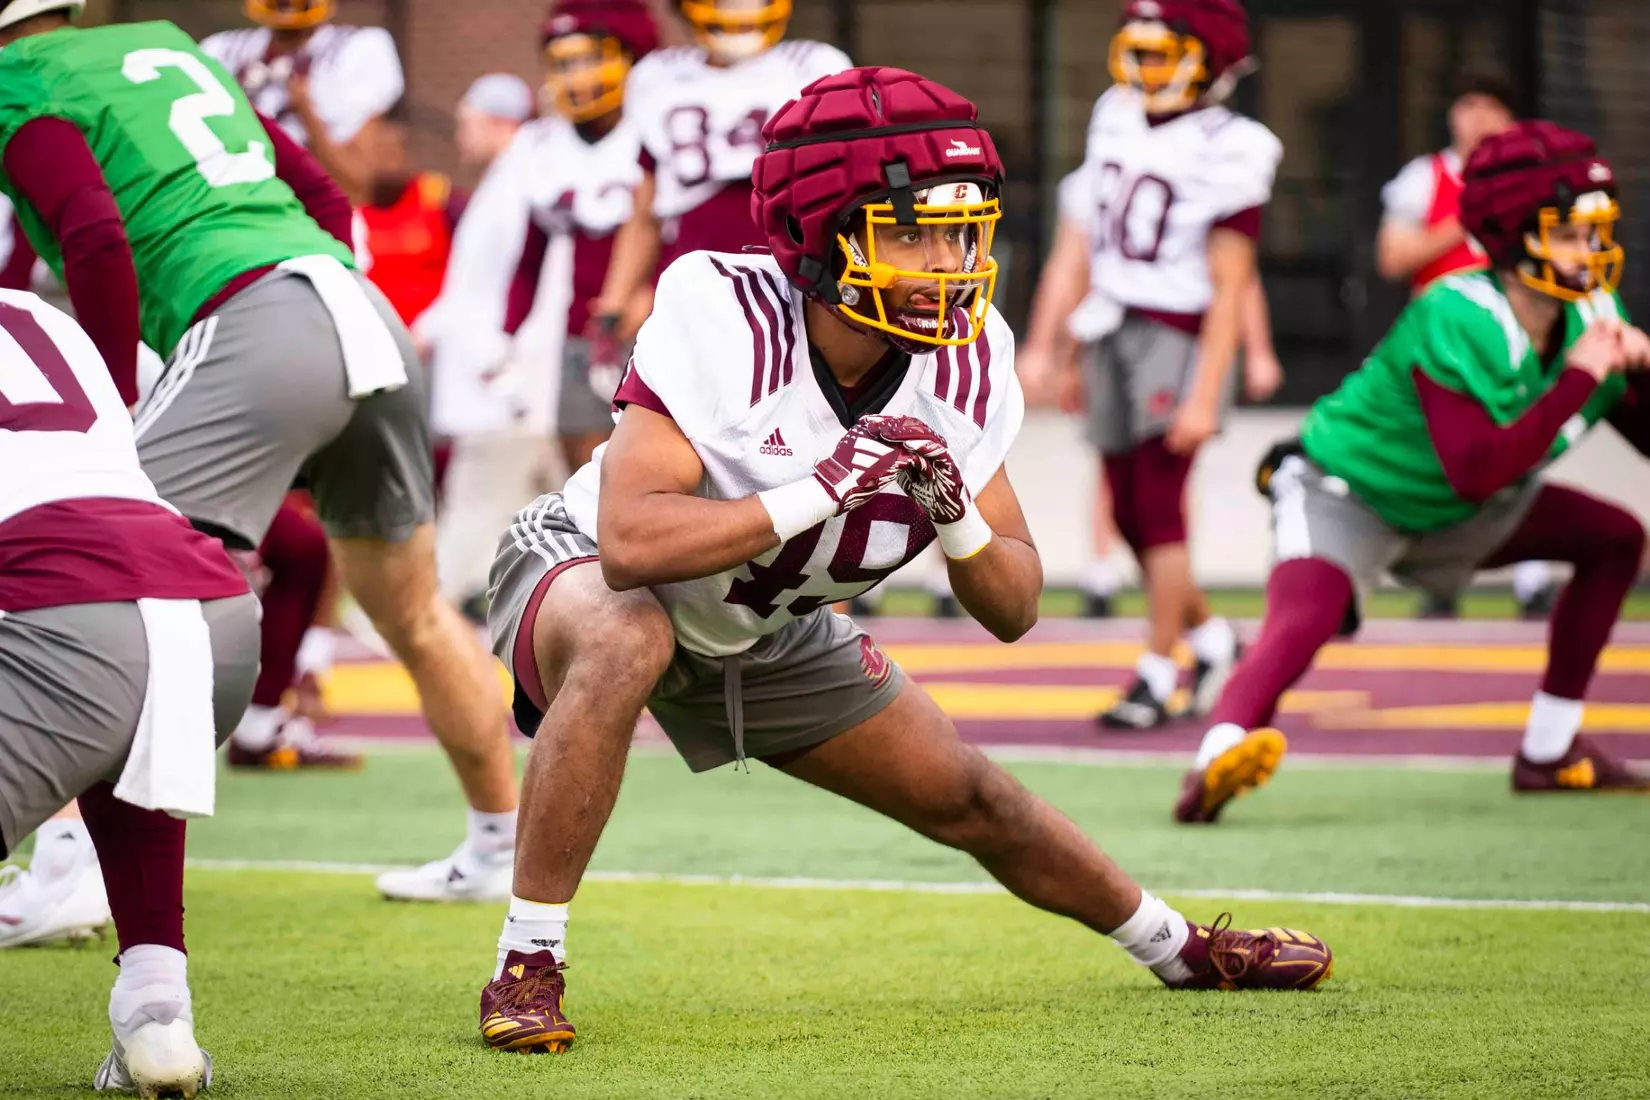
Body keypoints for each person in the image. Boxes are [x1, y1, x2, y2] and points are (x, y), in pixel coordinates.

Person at [474, 66, 1333, 1055]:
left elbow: (1014, 605)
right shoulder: (719, 308)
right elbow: (631, 543)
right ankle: (527, 959)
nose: (949, 264)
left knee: (972, 795)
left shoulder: (967, 356)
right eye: (914, 233)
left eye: (963, 234)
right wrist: (824, 487)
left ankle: (1178, 948)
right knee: (630, 634)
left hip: (762, 622)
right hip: (584, 568)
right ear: (823, 232)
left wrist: (954, 515)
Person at [0, 7, 520, 898]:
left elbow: (93, 233)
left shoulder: (21, 79)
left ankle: (65, 871)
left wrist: (113, 403)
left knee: (94, 582)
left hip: (251, 318)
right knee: (415, 613)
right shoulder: (165, 44)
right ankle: (500, 845)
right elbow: (323, 195)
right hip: (359, 310)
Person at [1177, 120, 1650, 825]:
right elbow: (1476, 470)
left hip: (1458, 509)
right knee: (1307, 616)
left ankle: (1550, 751)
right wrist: (1582, 378)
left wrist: (1640, 374)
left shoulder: (1592, 315)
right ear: (1514, 235)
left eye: (1596, 232)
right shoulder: (1457, 312)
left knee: (1615, 538)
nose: (1591, 251)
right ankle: (1214, 759)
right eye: (1570, 234)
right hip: (1351, 492)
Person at [0, 285, 261, 1096]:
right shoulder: (39, 315)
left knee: (109, 696)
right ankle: (156, 1010)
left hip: (64, 611)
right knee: (137, 732)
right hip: (211, 612)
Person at [1019, 0, 1281, 730]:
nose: (1142, 67)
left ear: (1204, 60)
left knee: (1160, 508)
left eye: (1160, 52)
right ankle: (1212, 639)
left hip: (1178, 331)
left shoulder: (1235, 144)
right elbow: (1079, 244)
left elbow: (1232, 283)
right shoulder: (1114, 112)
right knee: (1129, 510)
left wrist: (1204, 390)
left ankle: (1158, 672)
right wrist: (1057, 345)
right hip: (1110, 322)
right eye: (1137, 50)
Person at [425, 1, 656, 616]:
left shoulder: (657, 130)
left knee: (654, 468)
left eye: (592, 59)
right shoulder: (543, 146)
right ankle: (611, 597)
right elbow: (528, 255)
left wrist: (650, 292)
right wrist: (505, 335)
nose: (578, 76)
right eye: (565, 62)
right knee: (589, 470)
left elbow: (678, 230)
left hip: (658, 326)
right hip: (585, 335)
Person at [1376, 70, 1555, 619]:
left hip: (1514, 343)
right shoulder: (1424, 178)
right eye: (1468, 104)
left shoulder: (1536, 181)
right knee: (1444, 463)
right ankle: (1442, 579)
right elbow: (1393, 258)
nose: (1479, 118)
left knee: (1520, 454)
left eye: (1492, 106)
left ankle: (1532, 580)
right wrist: (1470, 214)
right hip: (1443, 351)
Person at [588, 0, 849, 359]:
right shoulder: (658, 77)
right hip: (694, 267)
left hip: (791, 270)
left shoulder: (812, 65)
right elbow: (645, 211)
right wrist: (616, 301)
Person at [202, 0, 403, 207]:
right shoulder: (221, 49)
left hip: (318, 208)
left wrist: (305, 110)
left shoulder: (359, 49)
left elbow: (358, 181)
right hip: (241, 203)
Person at [455, 72, 534, 171]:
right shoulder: (525, 162)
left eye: (466, 125)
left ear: (497, 123)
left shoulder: (522, 172)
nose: (459, 136)